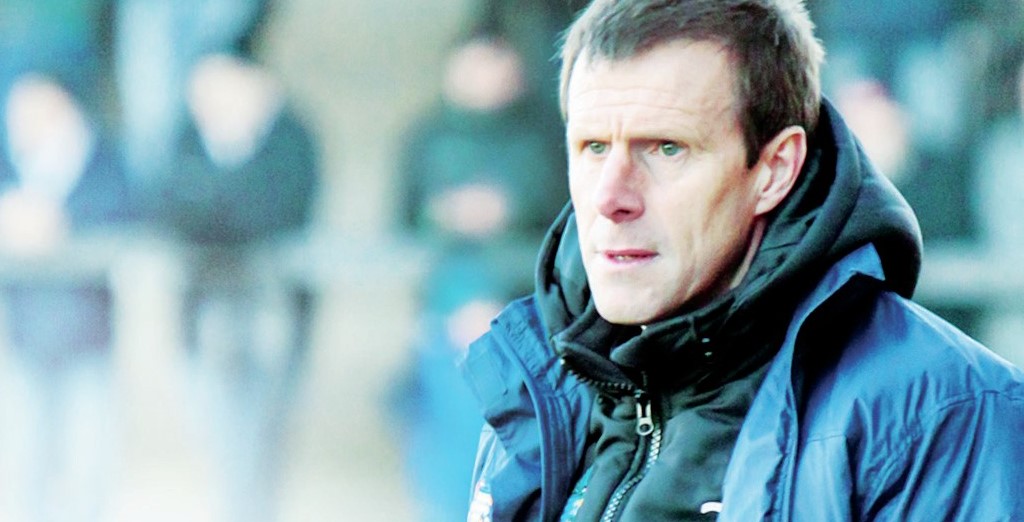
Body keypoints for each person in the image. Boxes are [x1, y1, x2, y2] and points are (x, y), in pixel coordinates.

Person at [458, 1, 1024, 520]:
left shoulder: (942, 415)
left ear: (775, 169)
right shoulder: (540, 392)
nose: (610, 197)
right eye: (593, 148)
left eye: (667, 148)